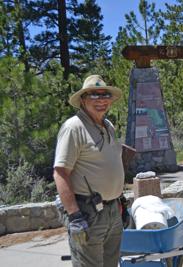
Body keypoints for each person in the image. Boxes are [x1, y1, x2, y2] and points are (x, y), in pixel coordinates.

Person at [53, 75, 124, 267]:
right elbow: (60, 173)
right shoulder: (73, 127)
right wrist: (74, 215)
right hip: (87, 212)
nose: (101, 100)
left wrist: (117, 200)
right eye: (94, 95)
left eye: (105, 95)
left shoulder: (107, 126)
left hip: (111, 210)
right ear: (83, 100)